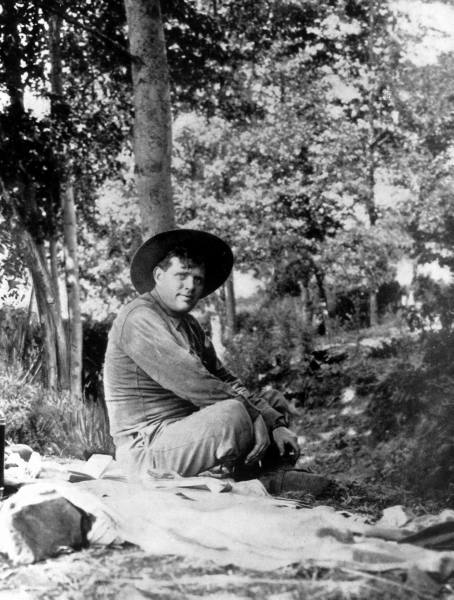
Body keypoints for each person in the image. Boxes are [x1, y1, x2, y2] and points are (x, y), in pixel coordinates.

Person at [104, 229, 329, 495]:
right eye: (181, 275)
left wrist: (273, 421)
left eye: (198, 279)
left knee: (272, 401)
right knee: (235, 412)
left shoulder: (187, 324)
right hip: (148, 448)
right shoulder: (139, 318)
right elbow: (194, 382)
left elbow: (225, 379)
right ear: (158, 276)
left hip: (183, 432)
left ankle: (270, 476)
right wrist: (254, 416)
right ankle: (264, 482)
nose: (190, 285)